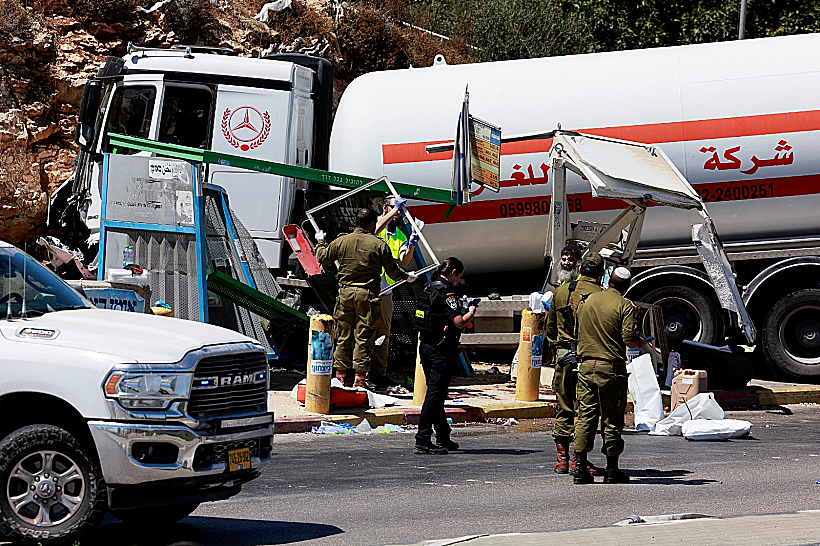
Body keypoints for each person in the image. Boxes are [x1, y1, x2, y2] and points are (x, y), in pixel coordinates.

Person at [315, 208, 417, 388]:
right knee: (364, 337)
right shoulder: (379, 244)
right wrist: (407, 277)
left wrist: (320, 241)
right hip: (367, 296)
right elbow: (393, 272)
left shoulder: (342, 241)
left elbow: (322, 257)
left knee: (343, 336)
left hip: (345, 294)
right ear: (372, 224)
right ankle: (359, 382)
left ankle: (340, 378)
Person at [573, 267, 648, 484]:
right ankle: (612, 470)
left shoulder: (586, 301)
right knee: (612, 419)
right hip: (611, 370)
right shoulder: (625, 305)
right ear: (626, 287)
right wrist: (642, 341)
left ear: (608, 281)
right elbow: (629, 339)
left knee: (585, 416)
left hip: (586, 368)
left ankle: (580, 468)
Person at [545, 252, 605, 476]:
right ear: (601, 274)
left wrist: (559, 347)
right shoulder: (600, 295)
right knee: (584, 411)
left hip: (563, 357)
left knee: (564, 406)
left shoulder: (560, 291)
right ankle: (578, 461)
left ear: (580, 269)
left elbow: (550, 329)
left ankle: (562, 459)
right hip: (586, 358)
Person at [414, 257, 477, 454]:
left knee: (437, 394)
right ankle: (422, 438)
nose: (458, 281)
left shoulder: (428, 288)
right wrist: (471, 312)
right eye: (459, 277)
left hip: (425, 345)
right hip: (440, 349)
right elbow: (458, 322)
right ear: (453, 272)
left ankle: (443, 436)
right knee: (434, 395)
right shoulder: (446, 292)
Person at [370, 195, 421, 388]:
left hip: (386, 290)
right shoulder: (376, 225)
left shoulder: (398, 234)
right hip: (369, 285)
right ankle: (359, 372)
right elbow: (374, 231)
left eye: (400, 210)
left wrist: (412, 242)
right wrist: (391, 212)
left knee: (384, 333)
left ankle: (378, 374)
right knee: (364, 331)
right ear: (385, 208)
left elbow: (404, 260)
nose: (398, 213)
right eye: (395, 208)